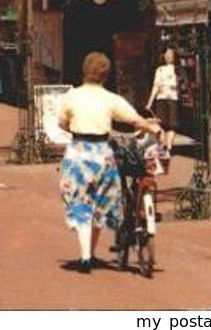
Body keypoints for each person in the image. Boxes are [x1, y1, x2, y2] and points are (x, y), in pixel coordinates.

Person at [57, 51, 163, 274]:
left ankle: (86, 256)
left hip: (78, 152)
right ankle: (92, 255)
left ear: (84, 71)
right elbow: (134, 119)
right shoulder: (110, 99)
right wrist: (151, 127)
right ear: (106, 75)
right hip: (102, 154)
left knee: (80, 201)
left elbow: (62, 123)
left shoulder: (71, 96)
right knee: (100, 204)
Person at [147, 46, 180, 152]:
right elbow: (156, 86)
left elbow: (156, 86)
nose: (168, 56)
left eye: (170, 54)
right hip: (167, 98)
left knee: (167, 124)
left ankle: (166, 146)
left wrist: (150, 102)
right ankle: (166, 145)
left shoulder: (173, 70)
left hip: (168, 98)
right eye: (167, 54)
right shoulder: (163, 70)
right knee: (166, 124)